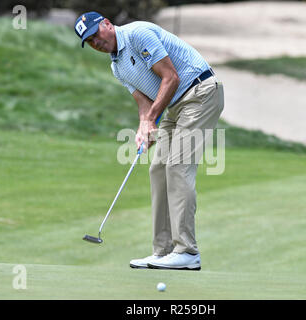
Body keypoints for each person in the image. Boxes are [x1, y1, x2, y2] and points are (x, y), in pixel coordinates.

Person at [74, 11, 224, 270]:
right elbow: (145, 104)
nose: (96, 42)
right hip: (176, 106)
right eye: (89, 42)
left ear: (107, 24)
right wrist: (145, 126)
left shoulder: (137, 34)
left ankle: (187, 251)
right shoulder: (116, 66)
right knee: (158, 169)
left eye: (96, 34)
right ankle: (164, 251)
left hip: (200, 93)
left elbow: (171, 77)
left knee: (177, 167)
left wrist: (152, 117)